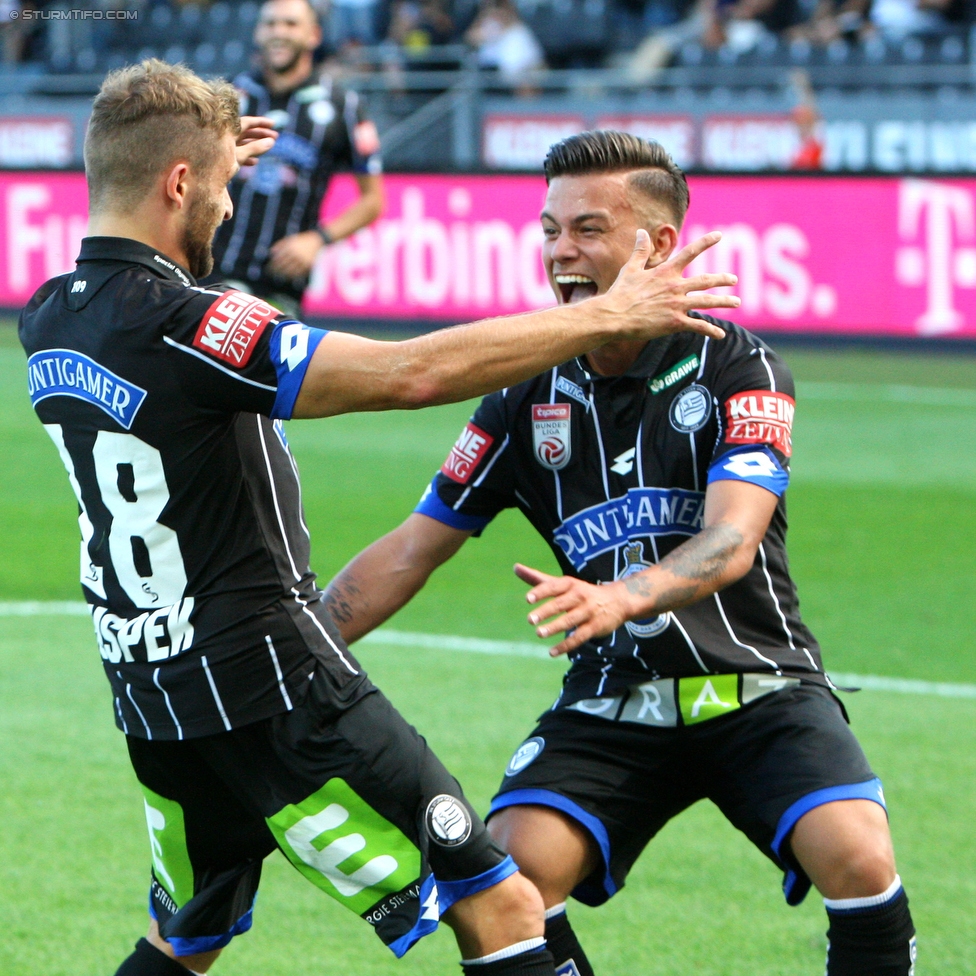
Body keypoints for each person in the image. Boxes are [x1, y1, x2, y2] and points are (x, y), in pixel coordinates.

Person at [18, 65, 737, 976]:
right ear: (178, 184)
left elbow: (145, 251)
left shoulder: (51, 318)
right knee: (501, 905)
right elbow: (413, 376)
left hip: (156, 695)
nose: (232, 211)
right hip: (277, 685)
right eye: (224, 192)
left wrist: (193, 162)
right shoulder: (196, 328)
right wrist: (609, 314)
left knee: (185, 936)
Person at [324, 130, 918, 976]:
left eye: (589, 230)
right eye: (550, 230)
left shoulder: (737, 366)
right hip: (611, 699)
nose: (562, 251)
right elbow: (414, 549)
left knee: (857, 854)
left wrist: (619, 597)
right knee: (511, 878)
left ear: (659, 244)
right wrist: (297, 649)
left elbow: (733, 540)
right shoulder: (521, 395)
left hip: (757, 687)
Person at [204, 0, 384, 319]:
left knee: (266, 367)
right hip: (215, 270)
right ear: (258, 32)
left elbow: (372, 201)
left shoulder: (344, 106)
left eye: (290, 24)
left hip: (283, 282)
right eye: (270, 24)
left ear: (313, 35)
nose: (279, 32)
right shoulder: (227, 96)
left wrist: (317, 240)